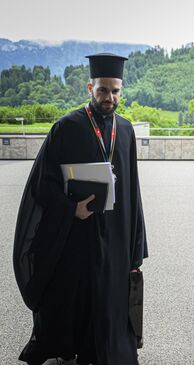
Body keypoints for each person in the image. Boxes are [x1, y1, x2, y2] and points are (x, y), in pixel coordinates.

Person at [13, 53, 148, 365]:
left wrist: (136, 244)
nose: (109, 97)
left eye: (115, 91)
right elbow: (42, 185)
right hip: (77, 232)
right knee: (77, 292)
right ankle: (70, 347)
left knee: (111, 294)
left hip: (116, 233)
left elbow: (132, 190)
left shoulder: (125, 130)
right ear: (90, 88)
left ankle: (105, 349)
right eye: (103, 90)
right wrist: (70, 209)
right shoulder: (67, 127)